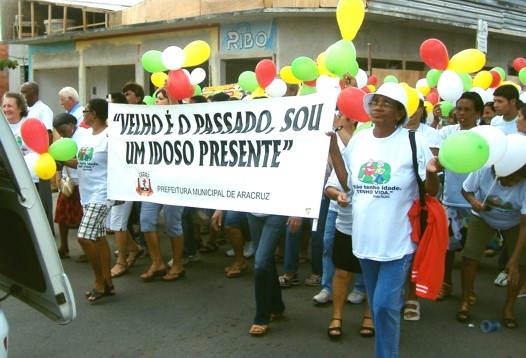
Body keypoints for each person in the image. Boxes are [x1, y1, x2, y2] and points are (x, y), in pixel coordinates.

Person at [328, 82, 440, 357]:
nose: (378, 106)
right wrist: (332, 146)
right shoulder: (361, 139)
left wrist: (433, 173)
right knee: (381, 306)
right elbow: (347, 183)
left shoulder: (414, 142)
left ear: (399, 113)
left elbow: (430, 192)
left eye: (386, 103)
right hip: (364, 239)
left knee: (384, 306)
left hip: (398, 241)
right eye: (375, 101)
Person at [458, 164, 526, 328]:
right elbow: (465, 190)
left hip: (514, 223)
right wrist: (474, 202)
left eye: (515, 180)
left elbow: (525, 226)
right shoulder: (483, 170)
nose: (510, 183)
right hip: (483, 217)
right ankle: (465, 300)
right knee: (469, 257)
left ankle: (508, 308)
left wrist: (514, 261)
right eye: (507, 178)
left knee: (522, 265)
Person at [402, 94, 442, 320]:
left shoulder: (430, 135)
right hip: (394, 203)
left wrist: (429, 173)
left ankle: (412, 298)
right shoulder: (391, 134)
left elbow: (432, 177)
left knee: (416, 251)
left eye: (414, 107)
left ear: (421, 110)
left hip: (419, 204)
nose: (410, 112)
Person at [324, 168, 374, 339]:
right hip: (347, 225)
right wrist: (338, 194)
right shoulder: (348, 156)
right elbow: (329, 187)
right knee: (342, 272)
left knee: (371, 274)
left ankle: (369, 316)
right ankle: (336, 317)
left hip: (375, 226)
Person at [74, 98, 114, 302]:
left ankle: (100, 281)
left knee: (84, 236)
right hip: (87, 194)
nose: (83, 113)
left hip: (102, 192)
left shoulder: (110, 135)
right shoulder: (86, 136)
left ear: (94, 114)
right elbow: (80, 161)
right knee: (98, 237)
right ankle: (108, 281)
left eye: (85, 110)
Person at [248, 214, 300, 335]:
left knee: (261, 262)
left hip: (276, 211)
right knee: (265, 259)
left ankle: (261, 317)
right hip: (252, 210)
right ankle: (276, 305)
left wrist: (297, 211)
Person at [20, 81, 55, 235]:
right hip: (24, 159)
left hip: (39, 161)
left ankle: (46, 231)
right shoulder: (25, 110)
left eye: (24, 92)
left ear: (34, 93)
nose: (22, 95)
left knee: (43, 199)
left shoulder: (44, 110)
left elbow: (48, 134)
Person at [52, 113, 88, 259]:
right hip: (69, 183)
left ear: (71, 125)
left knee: (83, 217)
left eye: (63, 130)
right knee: (62, 215)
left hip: (82, 182)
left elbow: (81, 161)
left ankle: (88, 250)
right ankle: (64, 246)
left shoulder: (83, 136)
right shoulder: (65, 139)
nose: (61, 134)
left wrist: (62, 161)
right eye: (58, 131)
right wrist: (59, 179)